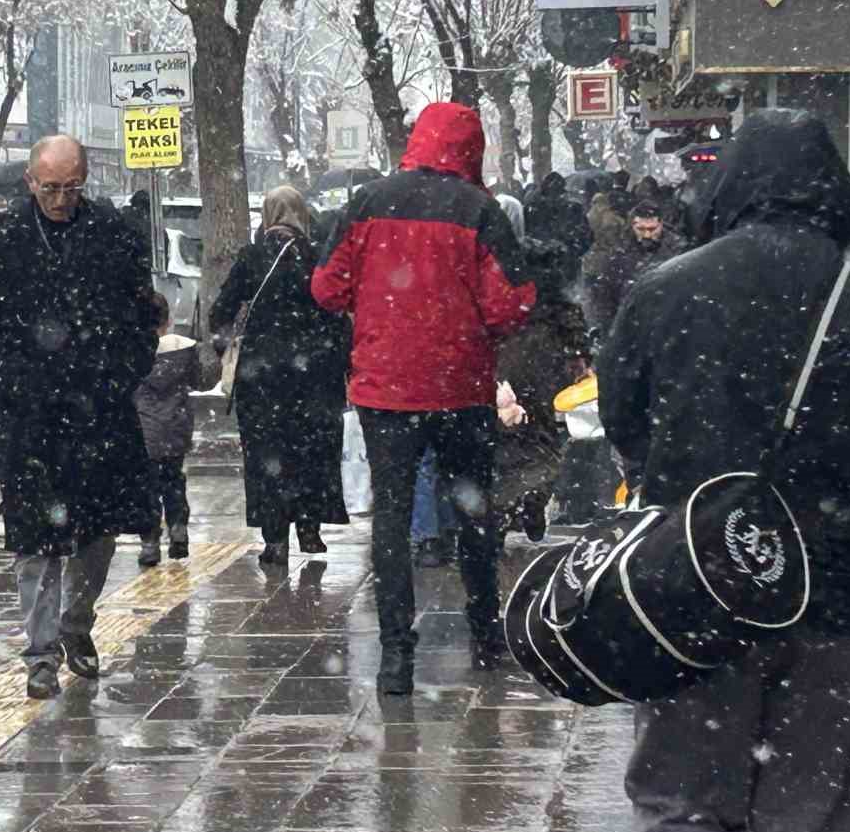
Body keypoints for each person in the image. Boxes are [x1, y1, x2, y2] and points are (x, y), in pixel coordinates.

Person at [599, 110, 850, 832]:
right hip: (836, 599)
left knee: (685, 799)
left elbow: (621, 420)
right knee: (808, 817)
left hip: (695, 592)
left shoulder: (671, 288)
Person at [311, 102, 535, 694]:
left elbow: (327, 287)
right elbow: (512, 303)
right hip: (460, 387)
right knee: (473, 509)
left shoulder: (364, 203)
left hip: (386, 389)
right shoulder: (481, 212)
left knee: (391, 517)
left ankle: (395, 657)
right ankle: (485, 634)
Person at [0, 134, 155, 701]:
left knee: (99, 532)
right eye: (51, 188)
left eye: (72, 187)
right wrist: (7, 380)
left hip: (100, 411)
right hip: (27, 415)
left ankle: (78, 621)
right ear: (30, 182)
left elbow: (142, 318)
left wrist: (118, 376)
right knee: (35, 540)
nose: (62, 199)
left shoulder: (114, 235)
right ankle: (39, 652)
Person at [212, 184, 352, 566]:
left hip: (263, 377)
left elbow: (221, 310)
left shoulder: (253, 256)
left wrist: (226, 347)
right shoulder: (318, 257)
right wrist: (343, 363)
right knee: (312, 450)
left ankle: (275, 538)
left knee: (267, 454)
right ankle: (310, 527)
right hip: (315, 376)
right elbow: (339, 311)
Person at [494, 237, 590, 540]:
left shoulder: (503, 296)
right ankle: (533, 500)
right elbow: (577, 339)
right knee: (544, 443)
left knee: (506, 444)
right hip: (546, 378)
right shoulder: (559, 305)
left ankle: (507, 508)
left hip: (505, 376)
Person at [133, 291, 218, 566]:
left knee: (146, 485)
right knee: (173, 480)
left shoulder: (134, 351)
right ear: (167, 321)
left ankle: (149, 542)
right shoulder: (184, 350)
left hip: (144, 429)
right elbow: (201, 382)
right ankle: (178, 528)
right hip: (176, 427)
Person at [584, 199, 685, 335]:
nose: (647, 235)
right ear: (633, 226)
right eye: (641, 229)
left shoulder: (678, 250)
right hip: (629, 325)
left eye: (652, 229)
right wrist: (605, 325)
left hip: (666, 324)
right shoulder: (619, 251)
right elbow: (603, 293)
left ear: (661, 224)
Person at [523, 172, 592, 282]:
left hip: (543, 267)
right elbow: (587, 238)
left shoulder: (531, 206)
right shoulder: (573, 208)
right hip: (562, 267)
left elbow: (526, 235)